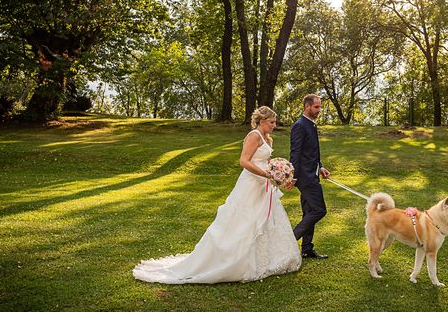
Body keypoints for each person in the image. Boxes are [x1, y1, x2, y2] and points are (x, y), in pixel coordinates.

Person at [133, 106, 301, 284]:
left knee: (267, 220)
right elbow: (243, 161)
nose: (274, 125)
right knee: (245, 221)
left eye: (274, 122)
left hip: (263, 185)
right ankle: (234, 260)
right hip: (251, 184)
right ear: (261, 121)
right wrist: (265, 174)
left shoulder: (267, 138)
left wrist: (279, 176)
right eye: (271, 122)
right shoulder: (254, 136)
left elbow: (266, 162)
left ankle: (267, 259)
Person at [291, 94, 331, 259]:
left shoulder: (311, 125)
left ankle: (307, 249)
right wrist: (292, 176)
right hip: (305, 177)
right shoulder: (300, 125)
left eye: (320, 107)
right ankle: (290, 239)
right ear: (307, 107)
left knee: (309, 211)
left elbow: (311, 152)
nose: (319, 110)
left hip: (313, 174)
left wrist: (320, 167)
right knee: (319, 210)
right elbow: (296, 152)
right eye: (316, 107)